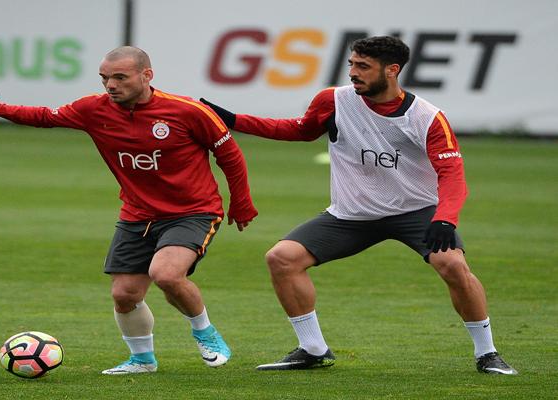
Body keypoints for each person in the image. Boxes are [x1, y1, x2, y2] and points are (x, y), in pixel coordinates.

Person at [201, 36, 517, 374]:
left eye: (363, 66)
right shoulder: (334, 100)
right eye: (352, 64)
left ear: (392, 70)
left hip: (416, 212)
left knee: (453, 266)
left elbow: (452, 175)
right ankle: (313, 349)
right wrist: (233, 119)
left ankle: (488, 353)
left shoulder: (427, 117)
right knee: (281, 259)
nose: (353, 72)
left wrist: (445, 219)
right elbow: (299, 130)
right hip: (351, 214)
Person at [0, 46, 258, 374]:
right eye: (105, 78)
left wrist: (242, 202)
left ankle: (205, 333)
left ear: (147, 75)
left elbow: (230, 155)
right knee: (124, 294)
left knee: (166, 273)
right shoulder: (93, 110)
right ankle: (142, 360)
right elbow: (45, 117)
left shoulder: (188, 111)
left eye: (120, 77)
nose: (110, 85)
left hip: (192, 211)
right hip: (137, 213)